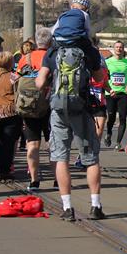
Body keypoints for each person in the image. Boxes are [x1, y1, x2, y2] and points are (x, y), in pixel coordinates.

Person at [35, 32, 106, 221]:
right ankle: (95, 206)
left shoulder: (52, 51)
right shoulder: (88, 50)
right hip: (81, 108)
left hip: (58, 110)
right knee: (91, 158)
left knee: (61, 157)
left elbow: (39, 82)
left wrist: (52, 84)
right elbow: (99, 78)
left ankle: (67, 208)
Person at [16, 27, 53, 190]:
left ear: (37, 42)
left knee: (32, 144)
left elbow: (16, 79)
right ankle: (57, 179)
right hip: (49, 105)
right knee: (53, 144)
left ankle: (34, 180)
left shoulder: (26, 58)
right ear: (50, 42)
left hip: (29, 105)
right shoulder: (52, 56)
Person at [0, 52, 23, 180]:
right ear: (11, 63)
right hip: (11, 114)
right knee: (8, 143)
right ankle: (5, 170)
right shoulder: (14, 77)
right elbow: (19, 95)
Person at [104, 41, 127, 150]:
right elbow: (104, 76)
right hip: (111, 93)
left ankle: (118, 143)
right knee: (111, 117)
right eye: (117, 47)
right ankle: (108, 133)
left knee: (122, 118)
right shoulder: (107, 62)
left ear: (123, 49)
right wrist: (108, 88)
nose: (119, 49)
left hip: (123, 94)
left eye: (121, 47)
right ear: (113, 49)